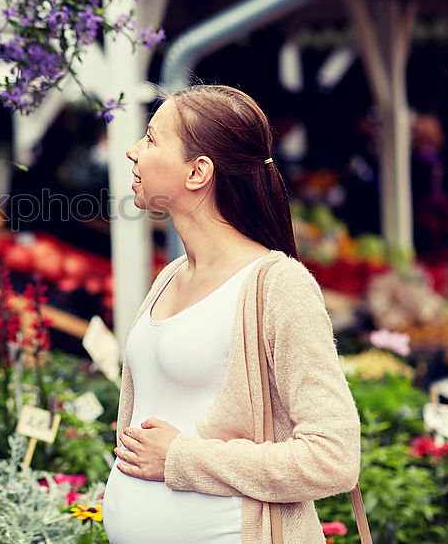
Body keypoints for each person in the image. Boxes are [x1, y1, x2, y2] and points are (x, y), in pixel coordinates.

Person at [103, 85, 360, 544]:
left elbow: (333, 458)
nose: (131, 151)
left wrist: (183, 459)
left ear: (198, 172)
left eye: (150, 138)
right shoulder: (170, 276)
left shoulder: (279, 285)